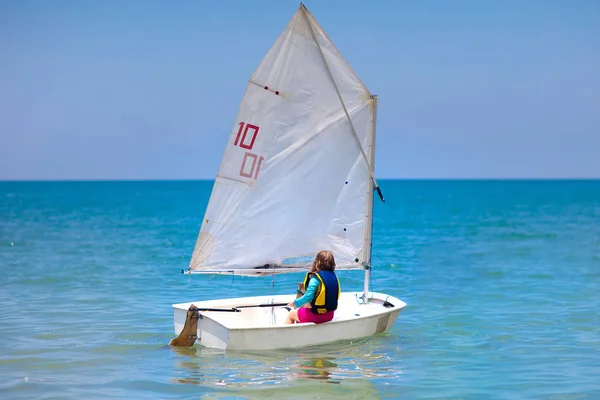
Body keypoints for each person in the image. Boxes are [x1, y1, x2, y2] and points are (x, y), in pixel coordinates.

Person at [285, 250, 340, 324]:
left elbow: (308, 296)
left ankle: (288, 335)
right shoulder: (334, 277)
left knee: (291, 314)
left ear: (317, 262)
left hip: (316, 315)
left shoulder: (315, 279)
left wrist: (295, 303)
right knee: (301, 311)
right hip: (329, 315)